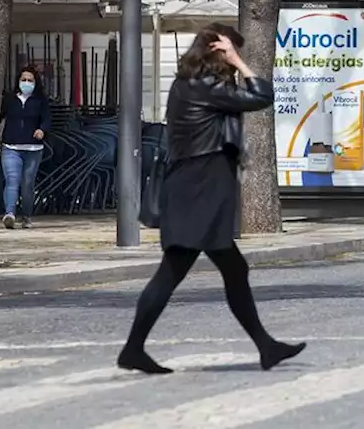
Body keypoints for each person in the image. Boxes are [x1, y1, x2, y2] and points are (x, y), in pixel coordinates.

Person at [118, 22, 305, 375]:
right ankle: (133, 349)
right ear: (218, 52)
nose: (237, 59)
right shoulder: (203, 86)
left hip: (199, 187)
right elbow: (263, 95)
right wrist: (239, 62)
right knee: (175, 271)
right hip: (198, 188)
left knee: (231, 269)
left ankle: (266, 346)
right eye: (232, 52)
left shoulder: (193, 85)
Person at [0, 66, 52, 229]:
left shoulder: (40, 101)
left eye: (30, 80)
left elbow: (47, 119)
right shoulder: (9, 99)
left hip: (33, 149)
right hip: (11, 146)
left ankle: (27, 215)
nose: (26, 83)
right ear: (18, 81)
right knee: (12, 179)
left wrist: (42, 130)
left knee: (27, 183)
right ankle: (9, 213)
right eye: (24, 80)